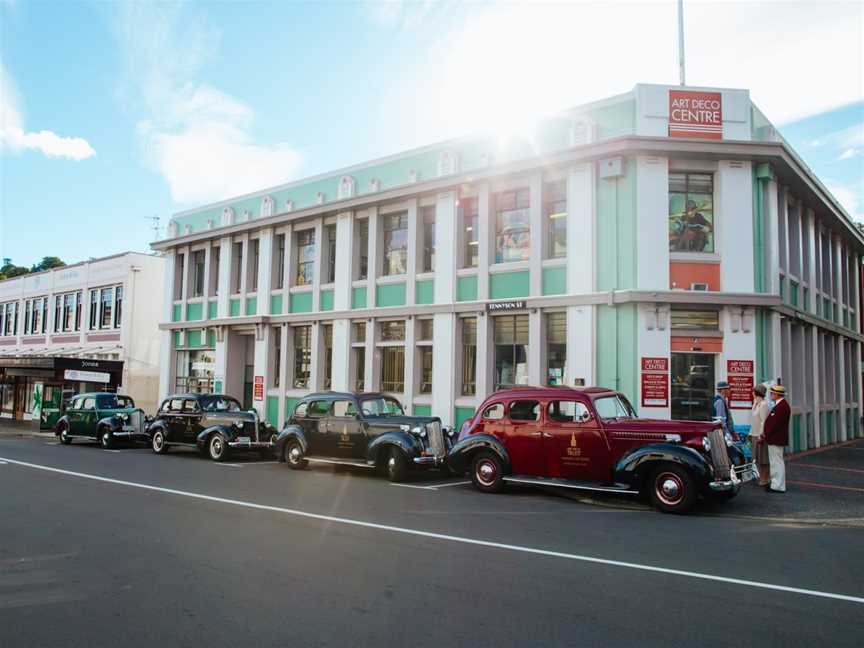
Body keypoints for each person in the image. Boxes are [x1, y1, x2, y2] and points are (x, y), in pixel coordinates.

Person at [761, 384, 790, 493]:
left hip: (776, 438)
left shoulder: (781, 406)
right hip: (775, 438)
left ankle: (777, 485)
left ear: (777, 394)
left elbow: (775, 424)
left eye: (772, 393)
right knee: (776, 461)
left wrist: (765, 434)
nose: (771, 395)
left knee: (776, 462)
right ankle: (776, 484)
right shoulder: (780, 405)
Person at [749, 384, 770, 486]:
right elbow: (753, 420)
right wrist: (750, 433)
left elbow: (764, 421)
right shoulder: (755, 404)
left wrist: (761, 435)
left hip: (760, 435)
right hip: (754, 434)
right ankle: (762, 477)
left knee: (763, 458)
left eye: (753, 392)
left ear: (757, 393)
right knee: (757, 458)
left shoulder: (763, 405)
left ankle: (765, 478)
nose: (752, 393)